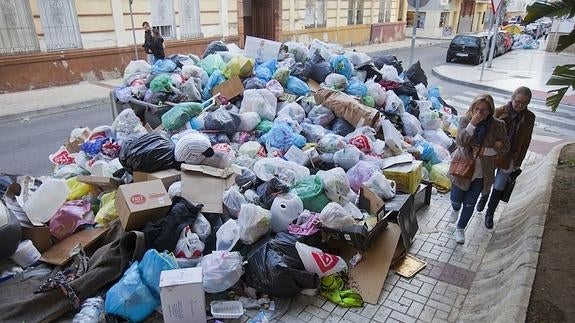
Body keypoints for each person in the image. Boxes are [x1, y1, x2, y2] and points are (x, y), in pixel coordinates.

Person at [449, 94, 509, 244]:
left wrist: (488, 151)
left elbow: (505, 147)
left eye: (483, 110)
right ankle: (455, 209)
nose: (479, 113)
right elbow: (461, 142)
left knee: (470, 203)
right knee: (456, 199)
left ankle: (460, 229)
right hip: (463, 168)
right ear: (472, 108)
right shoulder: (465, 120)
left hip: (482, 172)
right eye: (477, 109)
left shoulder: (498, 125)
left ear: (490, 111)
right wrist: (472, 125)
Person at [476, 86, 535, 228]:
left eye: (524, 103)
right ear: (512, 98)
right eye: (518, 101)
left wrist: (519, 161)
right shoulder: (499, 111)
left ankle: (490, 213)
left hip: (511, 156)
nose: (520, 105)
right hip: (493, 154)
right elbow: (485, 131)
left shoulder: (529, 117)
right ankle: (484, 197)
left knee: (500, 186)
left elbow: (527, 140)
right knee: (487, 180)